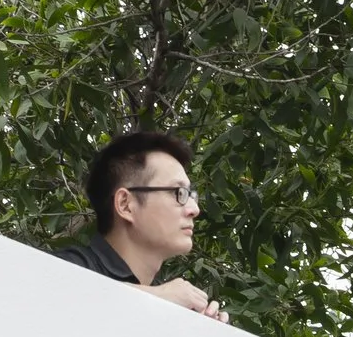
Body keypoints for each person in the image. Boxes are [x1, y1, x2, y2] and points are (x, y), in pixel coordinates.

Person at [49, 129, 227, 320]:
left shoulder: (161, 305)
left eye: (191, 194)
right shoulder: (69, 268)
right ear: (125, 205)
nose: (194, 209)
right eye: (179, 193)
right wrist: (157, 297)